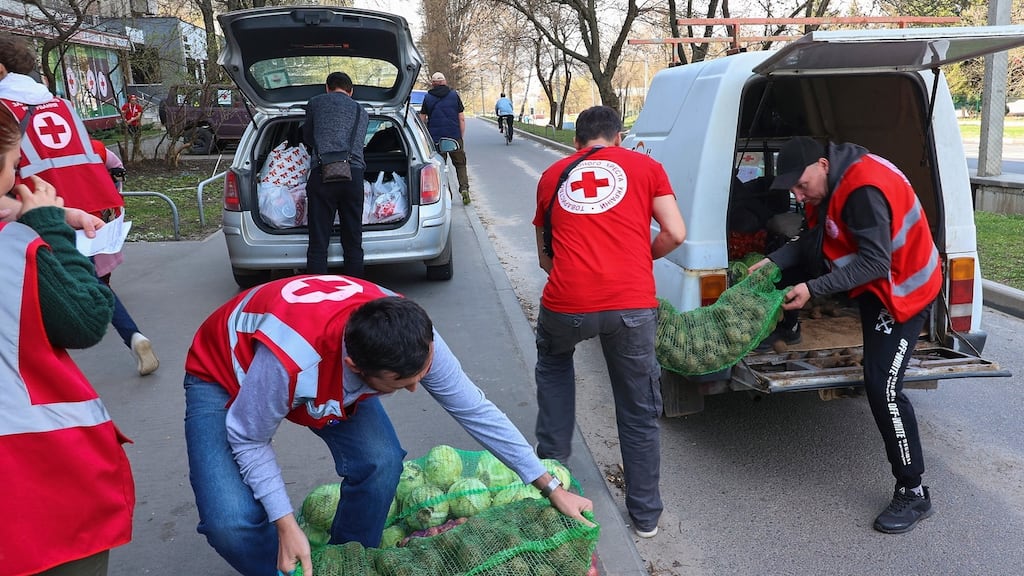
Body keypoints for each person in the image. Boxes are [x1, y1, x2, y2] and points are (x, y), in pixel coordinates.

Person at [183, 274, 594, 576]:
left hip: (321, 369)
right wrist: (286, 524)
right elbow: (250, 438)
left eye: (423, 372)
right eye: (402, 383)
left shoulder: (412, 335)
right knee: (230, 523)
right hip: (226, 374)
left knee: (380, 462)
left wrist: (548, 485)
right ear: (356, 368)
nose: (417, 388)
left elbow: (475, 409)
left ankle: (349, 564)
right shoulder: (291, 361)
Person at [750, 136, 942, 534]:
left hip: (901, 291)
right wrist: (773, 260)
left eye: (802, 186)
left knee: (883, 387)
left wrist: (812, 290)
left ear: (822, 164)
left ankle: (914, 491)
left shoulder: (863, 190)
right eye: (794, 190)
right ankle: (788, 325)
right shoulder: (834, 180)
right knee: (794, 267)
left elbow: (875, 262)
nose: (800, 196)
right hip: (879, 286)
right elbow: (813, 241)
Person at [531, 105, 686, 539]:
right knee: (637, 408)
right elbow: (675, 232)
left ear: (576, 141)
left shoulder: (551, 177)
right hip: (632, 304)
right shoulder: (646, 166)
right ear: (618, 137)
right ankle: (645, 516)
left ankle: (554, 482)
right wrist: (638, 258)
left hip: (566, 302)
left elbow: (545, 258)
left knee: (555, 367)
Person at [0, 108, 136, 576]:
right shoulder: (15, 248)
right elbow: (85, 319)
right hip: (31, 469)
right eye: (14, 166)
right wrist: (52, 229)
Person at [89, 138, 161, 376]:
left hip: (55, 219)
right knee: (97, 277)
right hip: (96, 215)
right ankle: (133, 335)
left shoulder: (30, 146)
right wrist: (113, 196)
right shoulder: (95, 147)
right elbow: (118, 169)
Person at [303, 71, 369, 276]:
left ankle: (318, 292)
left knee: (318, 241)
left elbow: (307, 136)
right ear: (351, 91)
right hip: (354, 175)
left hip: (322, 173)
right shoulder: (361, 111)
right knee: (353, 241)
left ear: (327, 87)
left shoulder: (315, 103)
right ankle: (355, 292)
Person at [419, 71, 470, 205]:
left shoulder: (428, 98)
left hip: (436, 139)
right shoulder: (454, 95)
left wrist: (425, 137)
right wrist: (460, 135)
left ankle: (447, 194)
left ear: (433, 83)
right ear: (445, 82)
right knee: (460, 164)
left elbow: (422, 119)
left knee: (440, 166)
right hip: (454, 136)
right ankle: (464, 189)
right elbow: (461, 118)